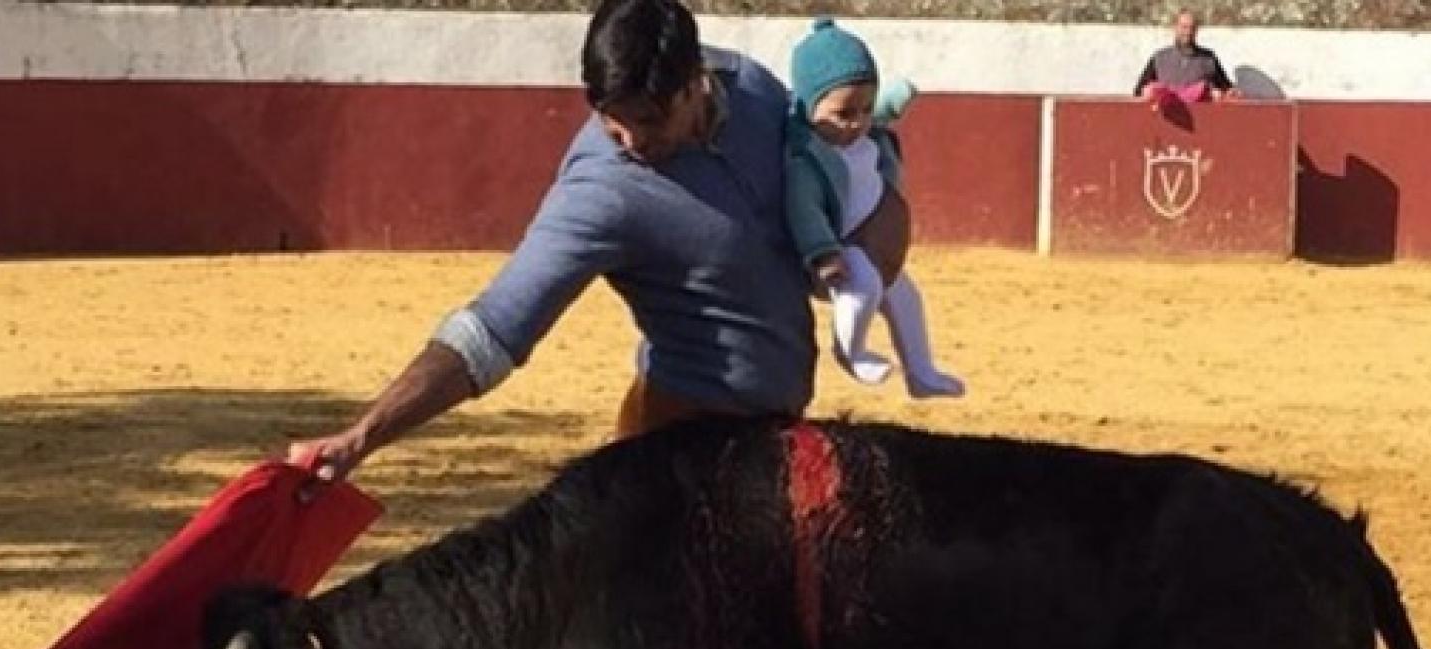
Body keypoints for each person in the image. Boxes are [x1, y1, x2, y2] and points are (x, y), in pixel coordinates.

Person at [287, 0, 911, 486]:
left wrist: (881, 215)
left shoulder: (750, 87)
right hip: (677, 453)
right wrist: (364, 435)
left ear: (696, 82)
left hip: (775, 438)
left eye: (648, 119)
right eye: (612, 117)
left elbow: (829, 181)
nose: (630, 139)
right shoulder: (601, 192)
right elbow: (494, 329)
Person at [784, 18, 963, 398]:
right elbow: (804, 210)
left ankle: (921, 372)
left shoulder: (862, 130)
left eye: (865, 110)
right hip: (839, 254)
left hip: (876, 250)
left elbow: (877, 110)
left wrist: (899, 95)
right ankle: (852, 351)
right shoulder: (806, 159)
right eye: (843, 114)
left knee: (905, 296)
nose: (857, 124)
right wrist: (823, 252)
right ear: (808, 106)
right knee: (863, 284)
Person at [1133, 9, 1239, 108]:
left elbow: (1226, 88)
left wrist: (1229, 92)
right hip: (1167, 120)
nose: (1188, 33)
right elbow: (1138, 91)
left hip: (1200, 121)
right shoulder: (1159, 58)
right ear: (1175, 28)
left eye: (1192, 28)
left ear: (1196, 30)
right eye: (1184, 27)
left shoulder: (1208, 58)